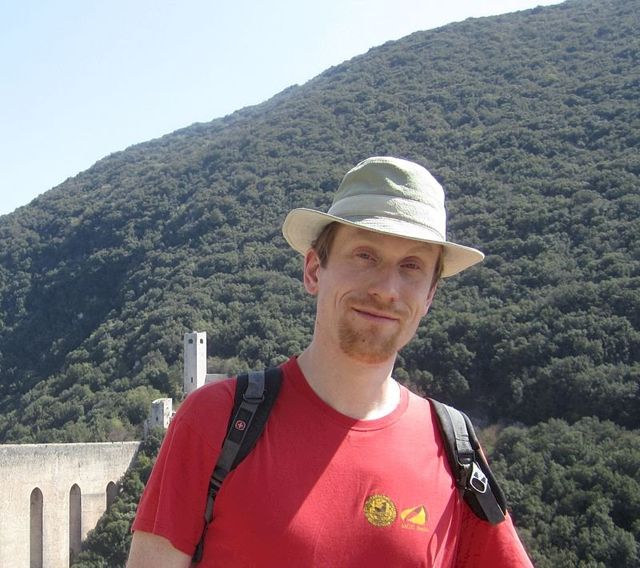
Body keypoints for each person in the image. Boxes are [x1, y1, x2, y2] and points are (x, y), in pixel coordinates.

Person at [127, 156, 533, 567]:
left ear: (429, 295)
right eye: (365, 255)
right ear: (313, 270)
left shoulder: (454, 448)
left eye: (412, 266)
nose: (387, 289)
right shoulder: (214, 422)